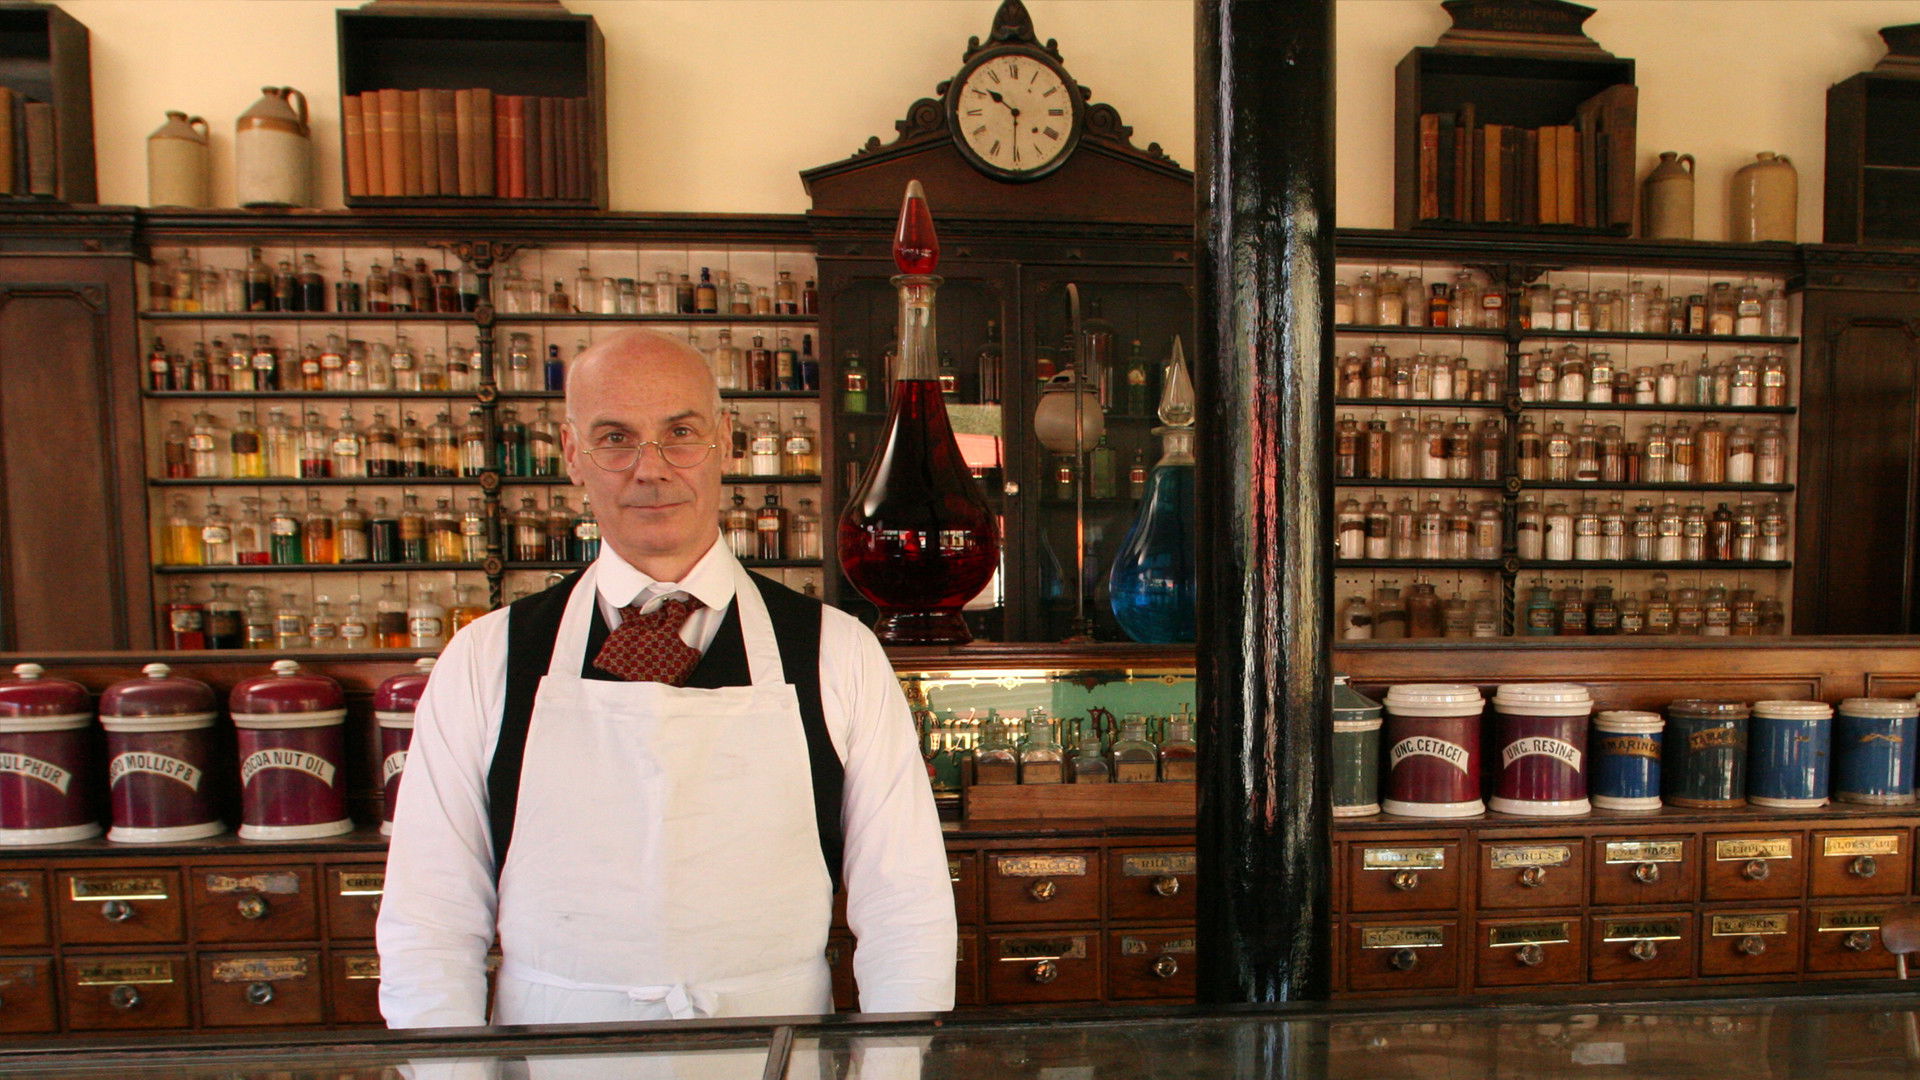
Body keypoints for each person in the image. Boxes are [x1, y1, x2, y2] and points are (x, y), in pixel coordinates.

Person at [377, 328, 955, 1027]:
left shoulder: (839, 653)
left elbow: (906, 907)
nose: (650, 469)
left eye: (679, 433)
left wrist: (891, 1068)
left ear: (725, 441)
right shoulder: (485, 660)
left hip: (775, 1054)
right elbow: (428, 921)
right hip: (555, 1060)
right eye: (615, 439)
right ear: (571, 456)